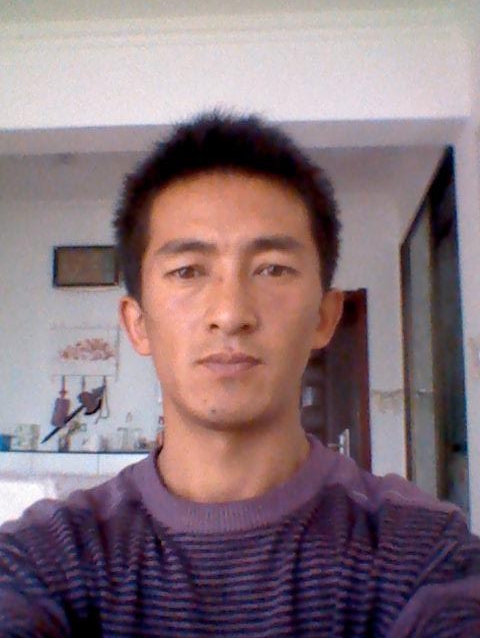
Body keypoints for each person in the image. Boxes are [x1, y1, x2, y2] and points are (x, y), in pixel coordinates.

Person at [1, 112, 479, 637]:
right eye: (188, 270)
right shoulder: (46, 558)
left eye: (272, 268)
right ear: (137, 324)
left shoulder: (421, 552)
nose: (230, 314)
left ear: (324, 317)